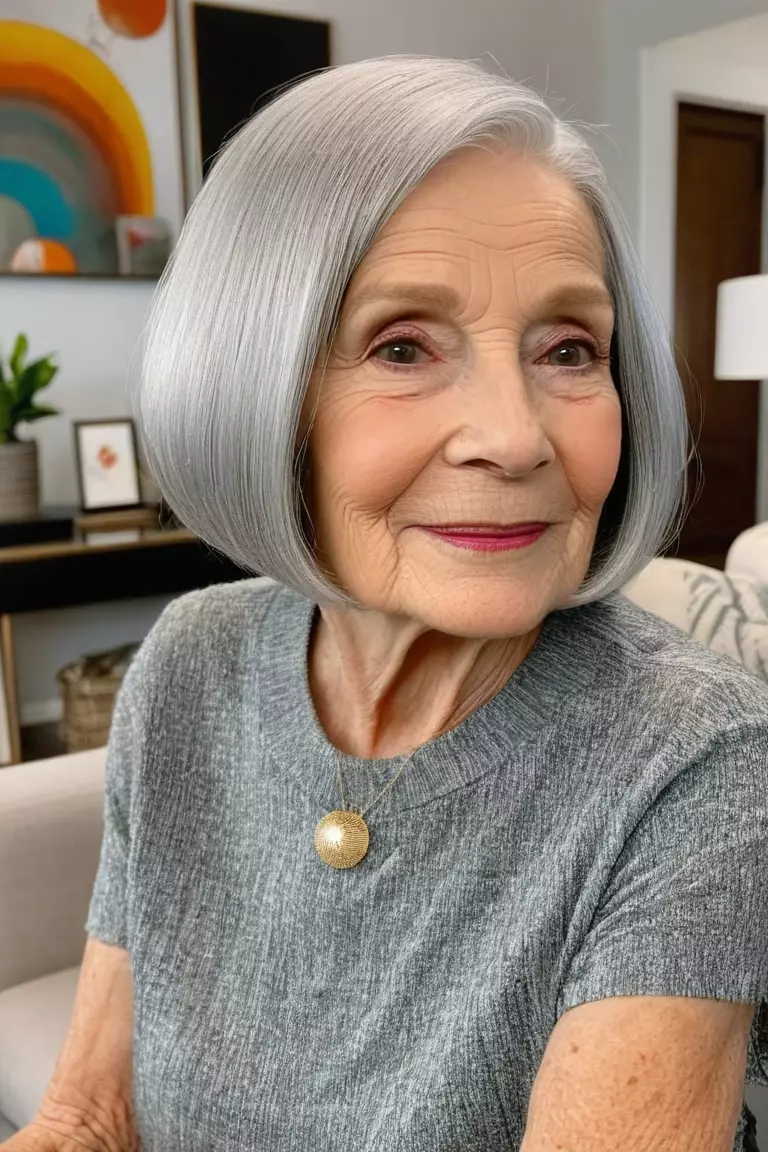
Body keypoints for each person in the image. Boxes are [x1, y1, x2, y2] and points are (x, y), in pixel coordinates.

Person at [8, 55, 768, 1152]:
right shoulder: (192, 661)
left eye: (569, 349)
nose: (515, 436)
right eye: (402, 346)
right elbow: (87, 1113)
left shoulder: (701, 763)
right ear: (254, 383)